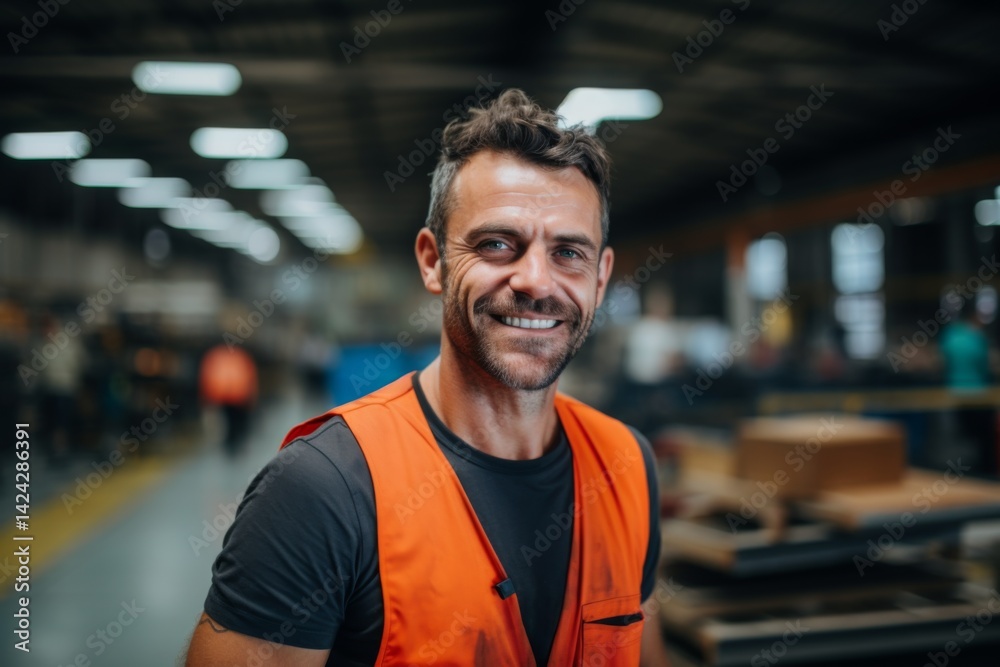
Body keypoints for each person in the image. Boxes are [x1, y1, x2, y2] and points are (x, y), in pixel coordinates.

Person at [185, 89, 668, 666]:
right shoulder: (322, 491)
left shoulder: (627, 466)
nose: (537, 281)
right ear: (433, 261)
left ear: (600, 276)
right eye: (496, 244)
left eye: (569, 253)